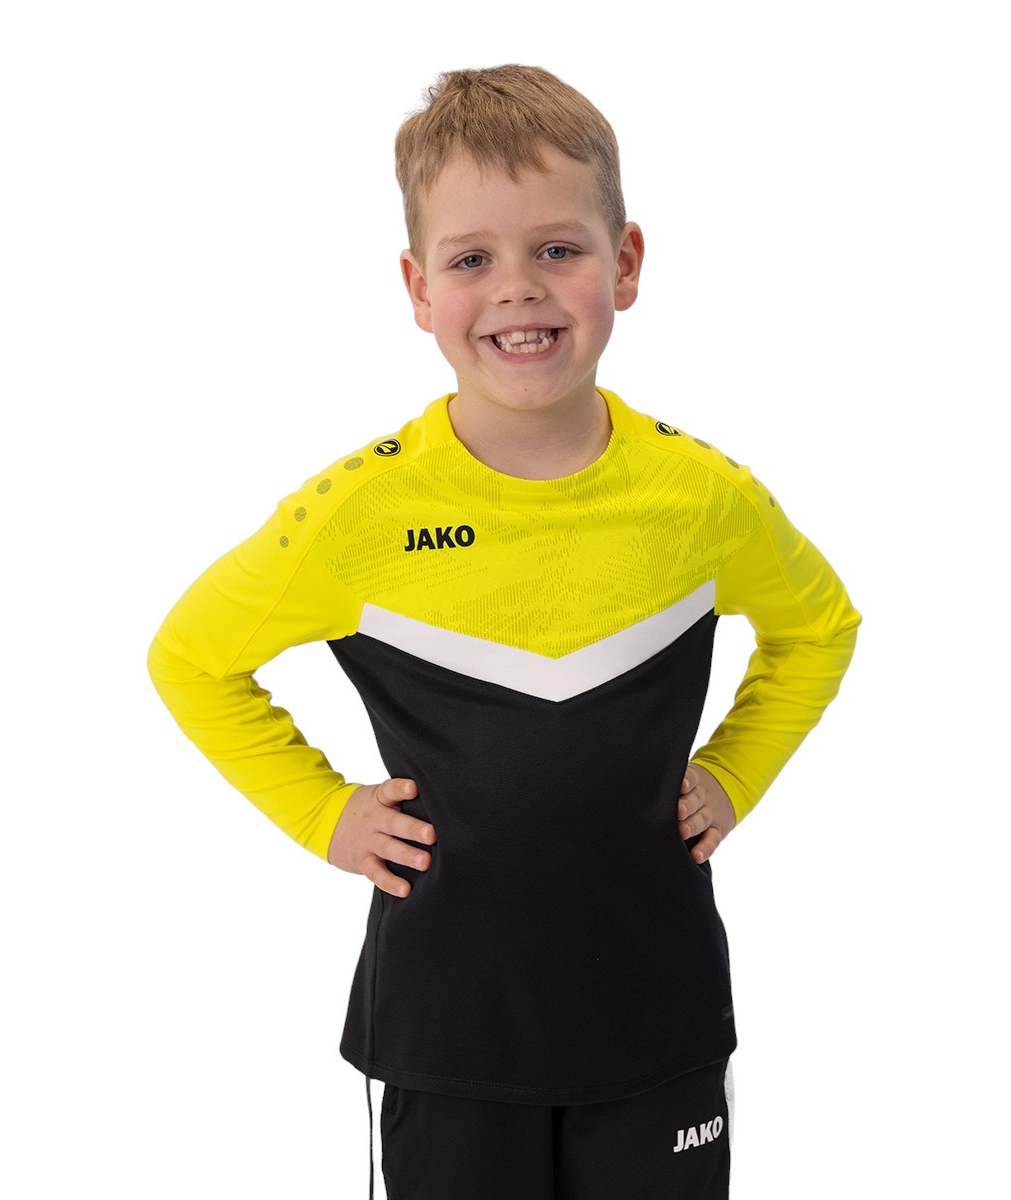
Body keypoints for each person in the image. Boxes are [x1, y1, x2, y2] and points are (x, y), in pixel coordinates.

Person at [148, 64, 860, 1200]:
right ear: (417, 287)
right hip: (447, 1033)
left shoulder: (703, 499)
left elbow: (820, 627)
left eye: (558, 249)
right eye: (471, 259)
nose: (518, 290)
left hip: (659, 1015)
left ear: (625, 264)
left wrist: (734, 775)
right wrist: (325, 815)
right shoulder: (356, 516)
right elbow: (189, 658)